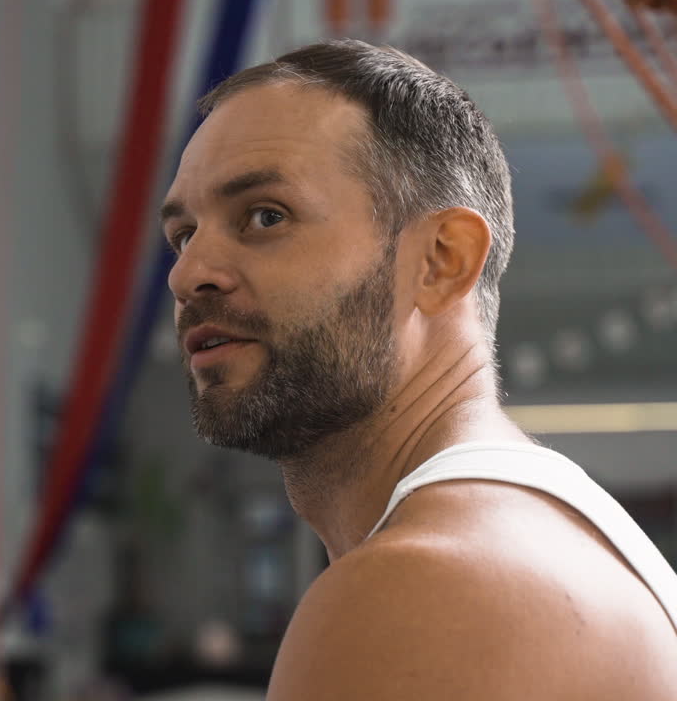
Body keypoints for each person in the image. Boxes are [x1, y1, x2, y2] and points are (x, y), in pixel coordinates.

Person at [161, 39, 677, 699]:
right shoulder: (531, 533)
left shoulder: (426, 587)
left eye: (265, 216)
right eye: (183, 234)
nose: (188, 273)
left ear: (441, 261)